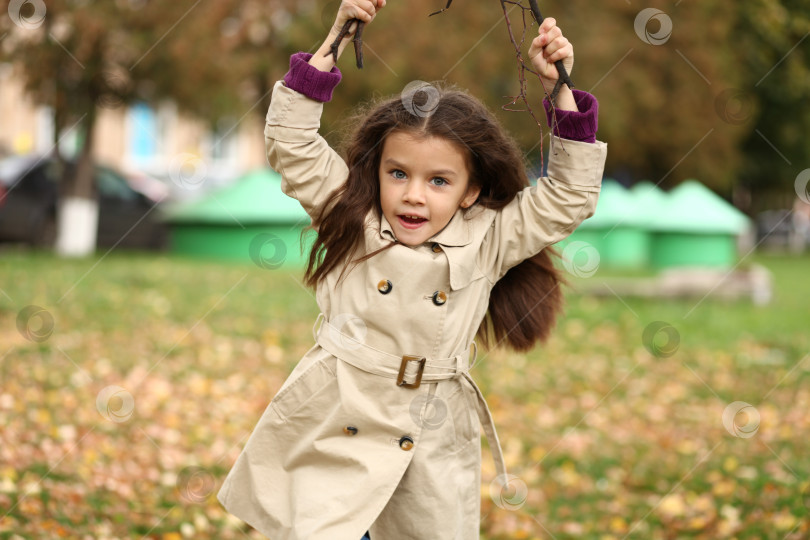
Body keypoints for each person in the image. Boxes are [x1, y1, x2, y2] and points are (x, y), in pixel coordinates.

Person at [216, 0, 607, 538]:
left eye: (438, 181)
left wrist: (558, 89)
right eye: (397, 173)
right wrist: (334, 40)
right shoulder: (352, 214)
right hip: (337, 416)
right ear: (376, 170)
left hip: (431, 428)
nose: (413, 196)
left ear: (472, 189)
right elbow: (293, 144)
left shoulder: (491, 237)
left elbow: (570, 195)